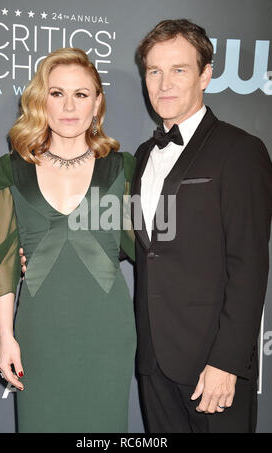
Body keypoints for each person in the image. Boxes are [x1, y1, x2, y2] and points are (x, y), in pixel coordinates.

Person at [0, 48, 137, 433]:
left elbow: (151, 245)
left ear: (97, 102)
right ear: (41, 100)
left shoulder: (123, 167)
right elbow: (1, 260)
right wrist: (6, 338)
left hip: (107, 330)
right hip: (39, 331)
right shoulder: (11, 170)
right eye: (57, 93)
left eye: (81, 94)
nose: (69, 106)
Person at [131, 19, 272, 433]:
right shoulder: (141, 155)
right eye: (154, 71)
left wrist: (227, 361)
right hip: (154, 361)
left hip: (213, 363)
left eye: (179, 70)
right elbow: (139, 242)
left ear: (206, 74)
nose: (163, 83)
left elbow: (249, 264)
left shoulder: (241, 151)